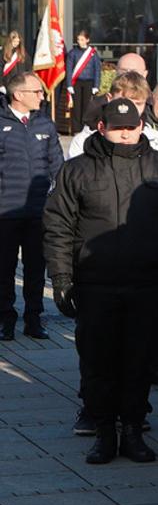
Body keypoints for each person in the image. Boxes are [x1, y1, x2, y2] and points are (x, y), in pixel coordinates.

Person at [45, 98, 158, 464]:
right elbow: (59, 226)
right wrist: (61, 277)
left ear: (141, 127)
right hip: (96, 285)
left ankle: (134, 430)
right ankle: (104, 432)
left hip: (149, 284)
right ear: (102, 128)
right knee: (98, 362)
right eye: (117, 127)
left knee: (139, 361)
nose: (125, 133)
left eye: (131, 126)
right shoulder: (77, 169)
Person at [0, 69, 62, 342]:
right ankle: (5, 319)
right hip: (6, 212)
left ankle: (34, 319)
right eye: (36, 91)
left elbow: (58, 167)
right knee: (4, 269)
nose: (42, 95)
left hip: (39, 213)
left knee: (36, 269)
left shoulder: (45, 125)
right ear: (18, 95)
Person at [64, 30, 99, 135]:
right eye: (78, 39)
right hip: (77, 82)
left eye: (82, 39)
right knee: (76, 107)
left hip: (89, 82)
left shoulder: (93, 53)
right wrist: (69, 84)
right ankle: (76, 129)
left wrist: (96, 85)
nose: (80, 42)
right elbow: (69, 69)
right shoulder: (73, 53)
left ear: (87, 40)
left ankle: (85, 128)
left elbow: (97, 69)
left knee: (87, 106)